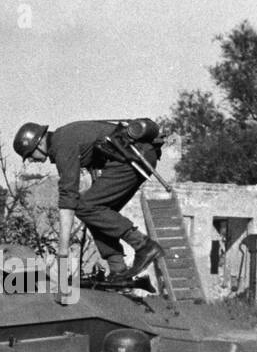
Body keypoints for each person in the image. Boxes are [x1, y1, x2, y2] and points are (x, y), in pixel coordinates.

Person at [13, 119, 164, 280]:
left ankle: (143, 245)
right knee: (97, 213)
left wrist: (62, 250)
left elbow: (68, 197)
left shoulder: (61, 146)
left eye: (29, 154)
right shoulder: (64, 138)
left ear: (40, 143)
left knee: (85, 207)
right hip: (138, 157)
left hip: (134, 159)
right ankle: (117, 268)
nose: (30, 160)